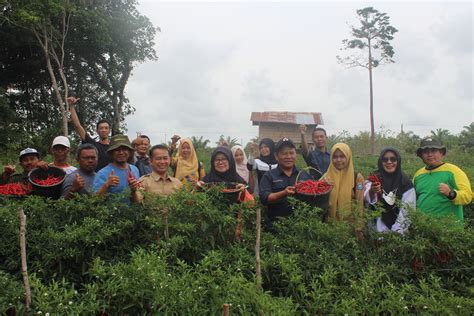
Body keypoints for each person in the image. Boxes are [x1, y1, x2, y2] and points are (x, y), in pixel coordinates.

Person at [413, 137, 472, 223]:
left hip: (448, 230)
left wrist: (451, 194)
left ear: (441, 153)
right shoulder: (418, 174)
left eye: (433, 151)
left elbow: (468, 196)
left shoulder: (453, 171)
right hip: (423, 228)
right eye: (426, 151)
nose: (430, 155)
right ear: (421, 155)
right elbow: (412, 199)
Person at [259, 138, 311, 225]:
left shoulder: (303, 174)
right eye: (284, 153)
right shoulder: (269, 176)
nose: (288, 157)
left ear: (296, 154)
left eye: (291, 153)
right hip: (276, 227)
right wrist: (283, 193)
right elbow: (265, 198)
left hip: (301, 226)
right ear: (276, 156)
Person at [364, 148, 416, 234]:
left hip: (396, 235)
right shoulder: (374, 177)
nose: (389, 162)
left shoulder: (405, 182)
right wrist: (372, 191)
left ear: (398, 161)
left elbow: (407, 212)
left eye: (393, 159)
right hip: (374, 233)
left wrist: (395, 235)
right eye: (385, 159)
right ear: (380, 161)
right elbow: (365, 197)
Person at [323, 143, 365, 239]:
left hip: (349, 228)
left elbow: (360, 203)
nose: (338, 160)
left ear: (348, 157)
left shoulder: (357, 178)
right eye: (335, 157)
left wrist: (359, 226)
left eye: (342, 156)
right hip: (329, 228)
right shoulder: (326, 178)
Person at [68, 96, 111, 171]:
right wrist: (71, 106)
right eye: (101, 128)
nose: (104, 130)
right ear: (97, 131)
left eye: (106, 128)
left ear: (109, 131)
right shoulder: (93, 145)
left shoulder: (113, 148)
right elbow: (78, 126)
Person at [92, 135, 140, 201]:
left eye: (124, 149)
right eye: (117, 150)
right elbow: (94, 201)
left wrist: (133, 190)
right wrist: (106, 185)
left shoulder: (135, 169)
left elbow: (137, 201)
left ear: (130, 152)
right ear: (111, 153)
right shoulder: (102, 173)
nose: (121, 152)